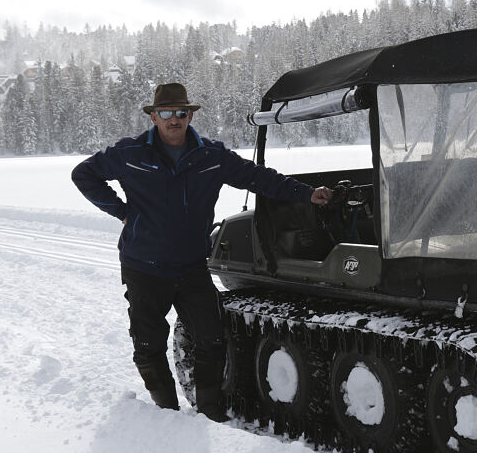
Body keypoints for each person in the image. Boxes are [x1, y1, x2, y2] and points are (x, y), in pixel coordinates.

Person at [72, 82, 332, 421]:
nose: (174, 119)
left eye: (181, 112)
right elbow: (84, 175)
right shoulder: (130, 153)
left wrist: (306, 194)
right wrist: (122, 211)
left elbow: (258, 178)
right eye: (166, 113)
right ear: (154, 117)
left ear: (190, 115)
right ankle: (166, 413)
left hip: (191, 266)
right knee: (148, 345)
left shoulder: (211, 156)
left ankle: (210, 410)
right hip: (143, 266)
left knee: (210, 339)